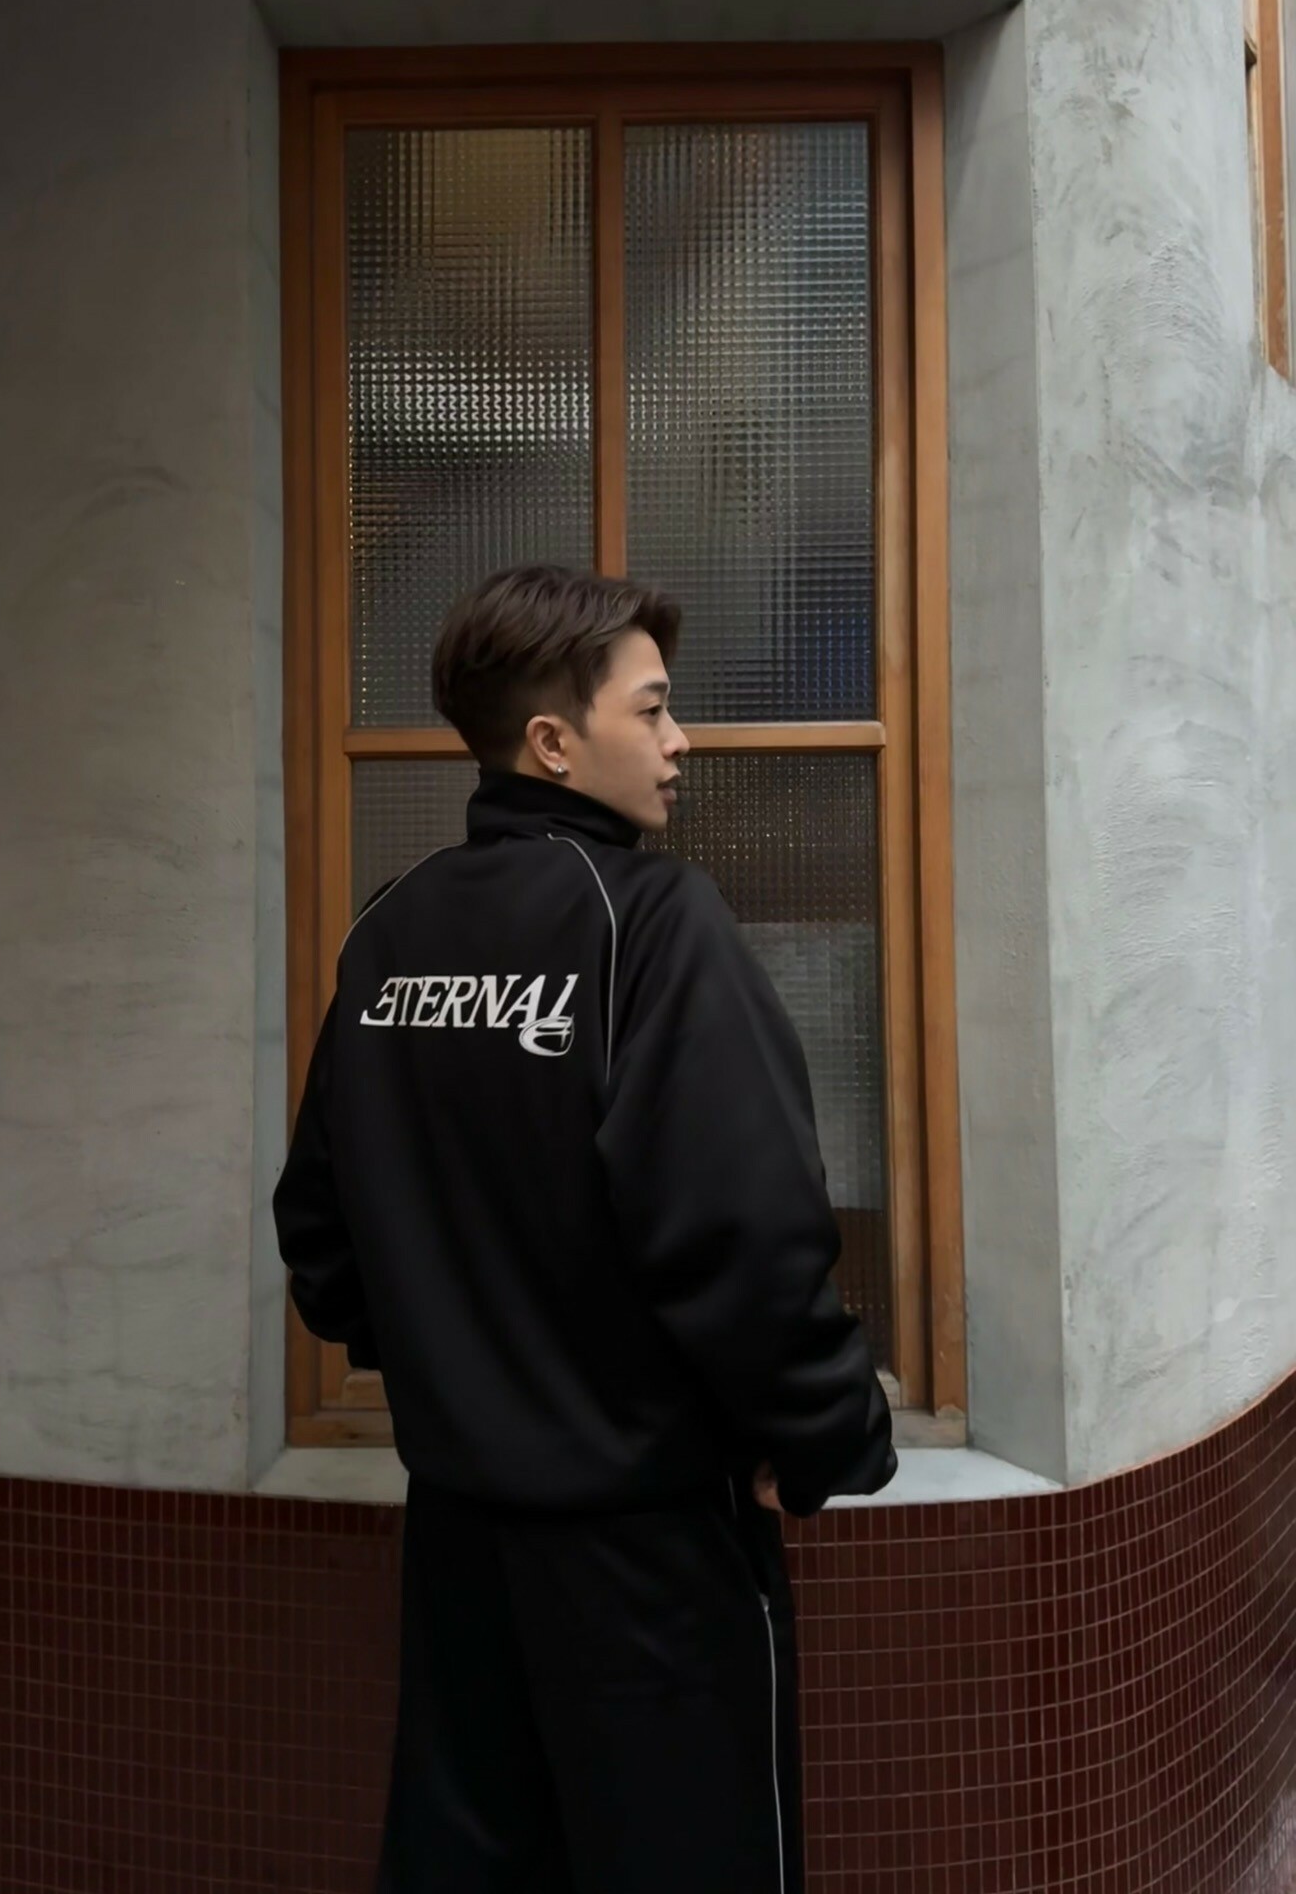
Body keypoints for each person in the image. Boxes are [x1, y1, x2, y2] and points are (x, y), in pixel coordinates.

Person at [273, 563, 896, 1893]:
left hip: (457, 1546)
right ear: (553, 743)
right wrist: (827, 1432)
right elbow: (746, 1236)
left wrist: (470, 1362)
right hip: (647, 1555)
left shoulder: (389, 932)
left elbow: (322, 1250)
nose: (681, 742)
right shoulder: (656, 924)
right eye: (653, 710)